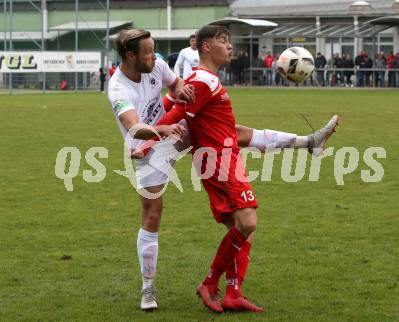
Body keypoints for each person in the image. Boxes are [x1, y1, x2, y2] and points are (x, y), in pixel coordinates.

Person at [143, 24, 339, 313]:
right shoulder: (203, 81)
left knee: (240, 228)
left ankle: (234, 293)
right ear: (206, 47)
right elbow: (176, 113)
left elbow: (233, 130)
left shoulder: (207, 80)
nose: (230, 46)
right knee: (247, 224)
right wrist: (146, 138)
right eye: (224, 41)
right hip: (220, 163)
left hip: (222, 156)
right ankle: (209, 284)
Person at [107, 29, 195, 312]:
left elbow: (174, 82)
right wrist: (162, 130)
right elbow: (134, 127)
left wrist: (179, 88)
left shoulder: (155, 64)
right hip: (146, 149)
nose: (154, 56)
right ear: (131, 56)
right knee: (153, 216)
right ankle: (148, 288)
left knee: (221, 130)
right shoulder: (118, 89)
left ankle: (301, 142)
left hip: (172, 130)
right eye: (147, 51)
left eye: (153, 49)